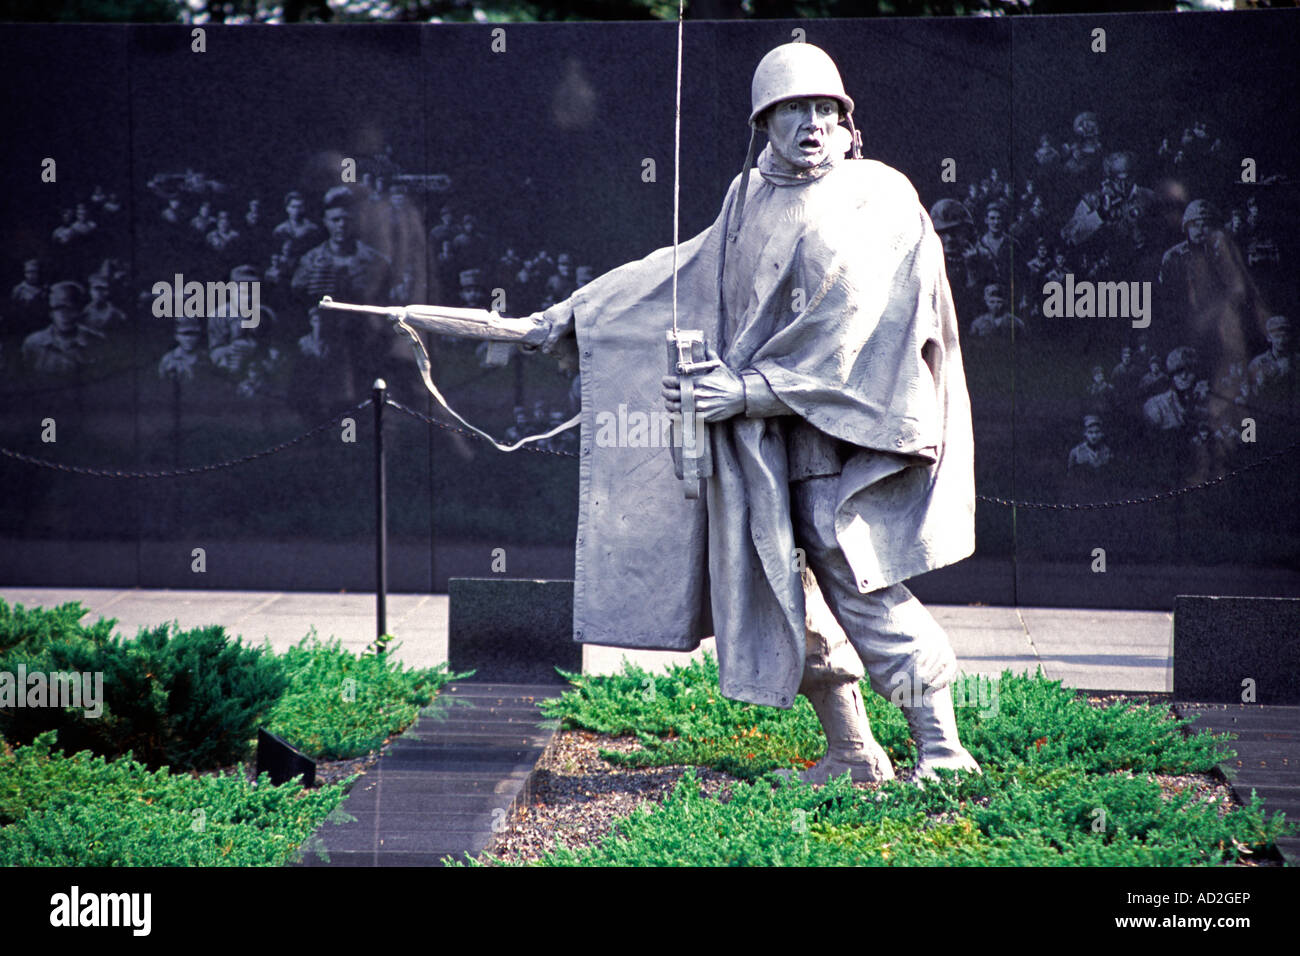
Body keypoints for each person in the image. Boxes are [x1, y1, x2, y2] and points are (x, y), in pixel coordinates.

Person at [520, 43, 979, 784]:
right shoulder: (748, 194)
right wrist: (573, 312)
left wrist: (747, 390)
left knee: (865, 594)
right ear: (764, 119)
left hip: (840, 442)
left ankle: (945, 750)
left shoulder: (877, 196)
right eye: (796, 109)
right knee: (784, 597)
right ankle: (855, 751)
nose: (814, 123)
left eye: (828, 109)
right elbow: (681, 268)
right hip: (762, 454)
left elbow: (850, 326)